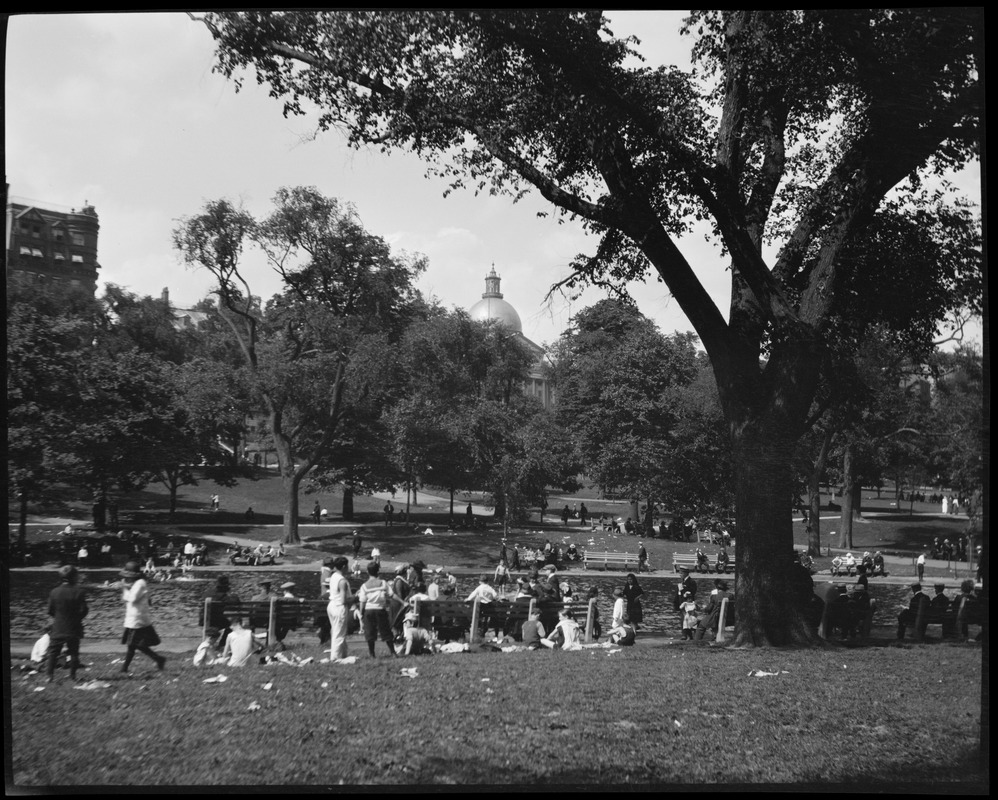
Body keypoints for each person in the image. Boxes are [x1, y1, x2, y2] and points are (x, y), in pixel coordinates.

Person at [119, 561, 166, 674]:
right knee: (133, 644)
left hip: (137, 618)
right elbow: (126, 598)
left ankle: (157, 659)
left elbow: (132, 598)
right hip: (133, 617)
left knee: (133, 644)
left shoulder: (140, 583)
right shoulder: (136, 584)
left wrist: (124, 588)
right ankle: (157, 659)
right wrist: (125, 588)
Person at [45, 565, 89, 683]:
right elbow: (84, 610)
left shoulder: (54, 592)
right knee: (74, 651)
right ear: (74, 577)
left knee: (53, 651)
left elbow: (50, 610)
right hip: (74, 626)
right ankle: (72, 676)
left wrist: (58, 617)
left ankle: (49, 676)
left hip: (58, 625)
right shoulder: (79, 592)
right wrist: (77, 618)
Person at [358, 561, 398, 658]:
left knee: (370, 632)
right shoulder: (383, 583)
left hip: (369, 610)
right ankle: (393, 652)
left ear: (368, 572)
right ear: (378, 571)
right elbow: (392, 595)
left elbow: (362, 602)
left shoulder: (364, 586)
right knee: (386, 631)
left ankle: (372, 654)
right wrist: (403, 602)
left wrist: (361, 614)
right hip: (380, 610)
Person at [201, 575, 242, 652]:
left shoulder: (208, 593)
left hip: (204, 619)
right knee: (231, 625)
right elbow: (236, 602)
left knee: (226, 622)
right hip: (216, 619)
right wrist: (232, 593)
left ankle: (220, 644)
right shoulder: (223, 595)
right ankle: (222, 644)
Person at [326, 556, 353, 661]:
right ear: (343, 566)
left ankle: (343, 654)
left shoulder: (333, 576)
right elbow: (343, 600)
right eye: (347, 565)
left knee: (338, 631)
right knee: (339, 634)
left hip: (332, 605)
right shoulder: (342, 581)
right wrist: (355, 598)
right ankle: (335, 658)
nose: (348, 567)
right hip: (339, 607)